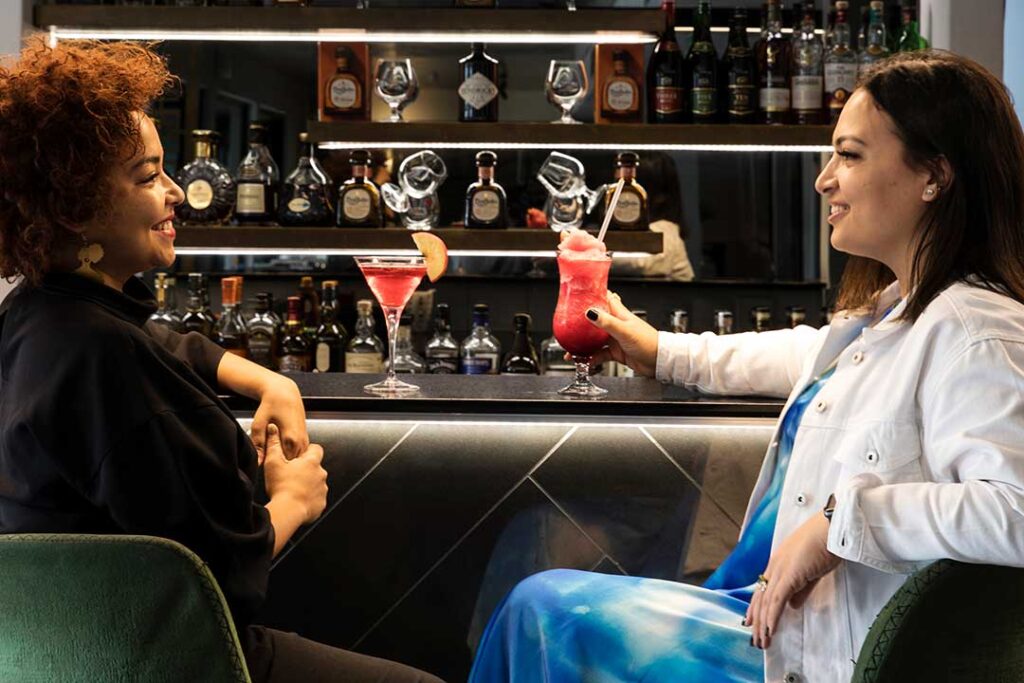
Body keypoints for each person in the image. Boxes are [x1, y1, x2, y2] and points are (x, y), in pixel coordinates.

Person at [469, 49, 1024, 682]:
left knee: (545, 609)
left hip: (819, 657)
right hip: (767, 619)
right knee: (537, 591)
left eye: (850, 154)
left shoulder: (977, 329)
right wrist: (661, 349)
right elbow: (806, 356)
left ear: (935, 176)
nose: (824, 179)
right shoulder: (897, 317)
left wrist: (838, 523)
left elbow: (1016, 512)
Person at [0, 37, 444, 683]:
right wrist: (292, 498)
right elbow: (218, 580)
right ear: (78, 207)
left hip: (59, 658)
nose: (177, 191)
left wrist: (269, 378)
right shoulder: (111, 360)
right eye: (148, 176)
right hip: (172, 661)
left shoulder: (37, 316)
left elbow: (164, 341)